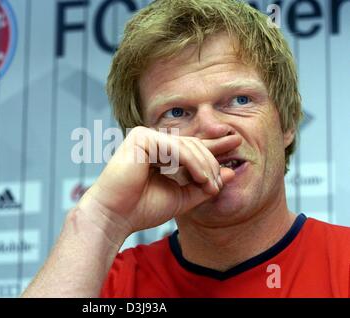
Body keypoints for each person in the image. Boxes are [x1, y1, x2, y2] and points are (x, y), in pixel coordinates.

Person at [23, 0, 350, 297]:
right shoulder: (104, 286)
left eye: (239, 100)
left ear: (287, 123)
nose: (210, 127)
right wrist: (101, 221)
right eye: (176, 112)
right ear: (146, 146)